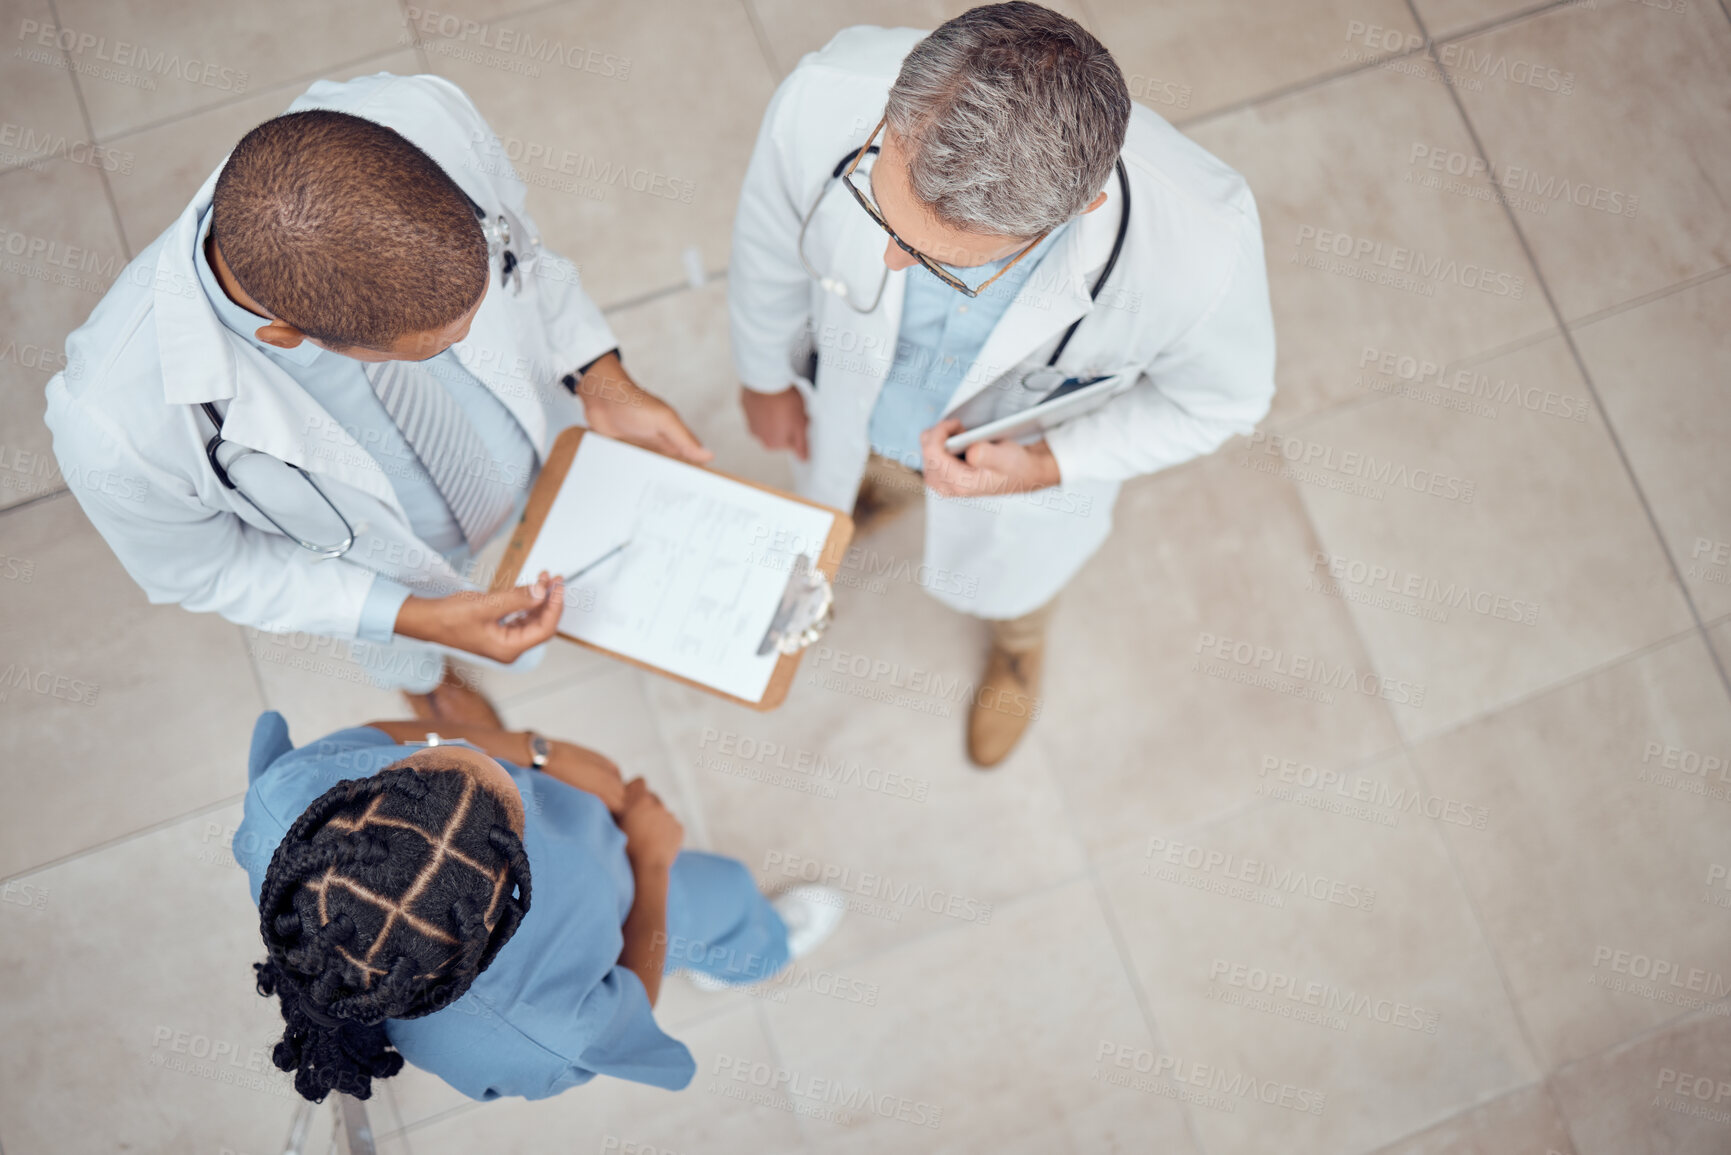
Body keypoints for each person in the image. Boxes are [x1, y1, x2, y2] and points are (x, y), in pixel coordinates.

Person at [44, 72, 710, 726]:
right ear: (289, 334)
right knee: (405, 653)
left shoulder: (424, 114)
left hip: (538, 452)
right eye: (427, 349)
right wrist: (418, 618)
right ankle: (426, 686)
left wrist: (600, 375)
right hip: (396, 564)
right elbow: (207, 569)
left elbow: (528, 260)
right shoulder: (112, 424)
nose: (466, 343)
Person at [729, 3, 1277, 766]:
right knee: (860, 470)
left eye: (947, 261)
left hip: (1010, 466)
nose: (889, 264)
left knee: (1015, 580)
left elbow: (1221, 403)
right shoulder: (826, 90)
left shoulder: (1200, 250)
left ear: (1077, 212)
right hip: (862, 398)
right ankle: (878, 490)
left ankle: (1016, 645)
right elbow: (767, 236)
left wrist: (1050, 463)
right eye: (877, 208)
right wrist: (763, 373)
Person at [233, 709, 842, 1102]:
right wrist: (653, 865)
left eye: (442, 764)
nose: (496, 765)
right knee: (721, 899)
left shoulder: (287, 800)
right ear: (498, 930)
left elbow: (390, 737)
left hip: (599, 851)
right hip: (632, 901)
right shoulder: (528, 1031)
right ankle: (753, 950)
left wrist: (536, 749)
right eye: (510, 823)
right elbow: (629, 996)